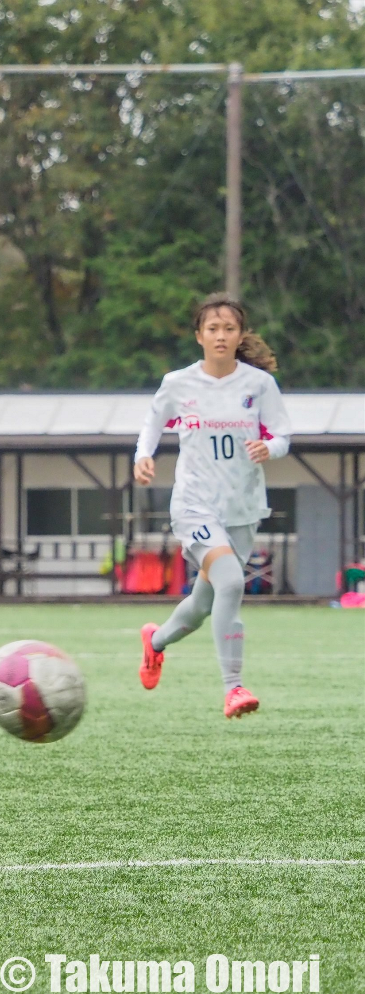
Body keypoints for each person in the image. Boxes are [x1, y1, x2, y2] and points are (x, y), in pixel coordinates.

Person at [134, 292, 291, 719]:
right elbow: (152, 421)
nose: (220, 336)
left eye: (229, 328)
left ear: (240, 335)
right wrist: (143, 455)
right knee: (232, 583)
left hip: (242, 508)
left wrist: (269, 449)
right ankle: (233, 688)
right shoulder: (178, 383)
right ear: (198, 335)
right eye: (212, 328)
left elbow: (282, 435)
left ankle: (156, 642)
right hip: (195, 505)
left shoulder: (259, 385)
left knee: (204, 604)